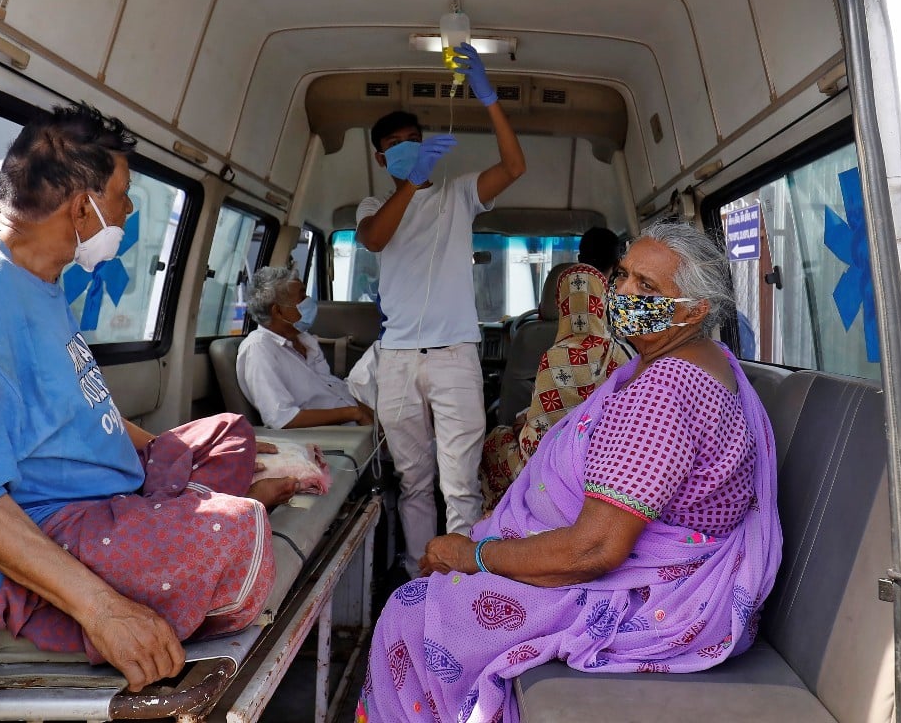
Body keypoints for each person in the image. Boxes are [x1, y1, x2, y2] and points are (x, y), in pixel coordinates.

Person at [0, 103, 299, 693]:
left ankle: (174, 503)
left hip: (105, 491)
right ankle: (167, 526)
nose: (127, 210)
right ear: (82, 206)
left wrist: (166, 453)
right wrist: (103, 609)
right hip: (52, 524)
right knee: (238, 536)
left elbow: (76, 401)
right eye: (123, 195)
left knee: (227, 433)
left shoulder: (36, 278)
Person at [358, 218, 780, 723]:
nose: (622, 291)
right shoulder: (697, 358)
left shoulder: (665, 390)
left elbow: (596, 549)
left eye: (646, 286)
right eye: (622, 275)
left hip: (655, 596)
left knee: (411, 610)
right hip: (662, 570)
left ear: (695, 310)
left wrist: (474, 555)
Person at [356, 43, 527, 574]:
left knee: (460, 481)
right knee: (413, 481)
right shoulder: (373, 206)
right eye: (396, 147)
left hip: (454, 355)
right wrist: (410, 183)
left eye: (415, 142)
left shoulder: (459, 193)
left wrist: (488, 97)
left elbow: (514, 165)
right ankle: (415, 576)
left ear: (426, 144)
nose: (408, 149)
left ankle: (458, 585)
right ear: (382, 159)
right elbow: (376, 238)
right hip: (399, 358)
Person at [477, 262, 632, 506]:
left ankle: (495, 515)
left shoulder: (556, 357)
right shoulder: (623, 353)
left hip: (550, 464)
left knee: (493, 443)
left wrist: (519, 427)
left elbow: (538, 437)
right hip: (606, 465)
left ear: (561, 302)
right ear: (602, 300)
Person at [239, 265, 374, 429]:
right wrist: (353, 413)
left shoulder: (304, 339)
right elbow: (281, 418)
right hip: (329, 436)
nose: (309, 301)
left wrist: (370, 416)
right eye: (301, 297)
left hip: (354, 425)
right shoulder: (259, 348)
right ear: (277, 311)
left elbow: (336, 389)